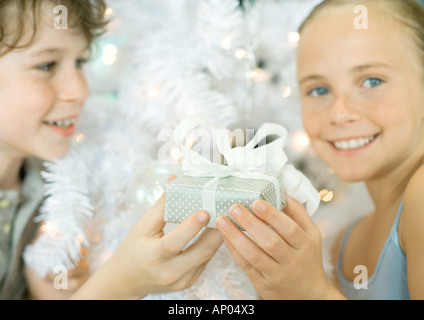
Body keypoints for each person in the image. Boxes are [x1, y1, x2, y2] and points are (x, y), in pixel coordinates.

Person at [0, 0, 222, 300]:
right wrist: (122, 281)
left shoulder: (54, 187)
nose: (79, 90)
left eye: (80, 62)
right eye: (46, 65)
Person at [216, 0, 424, 300]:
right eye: (319, 90)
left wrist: (311, 292)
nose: (340, 113)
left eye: (372, 81)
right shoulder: (345, 244)